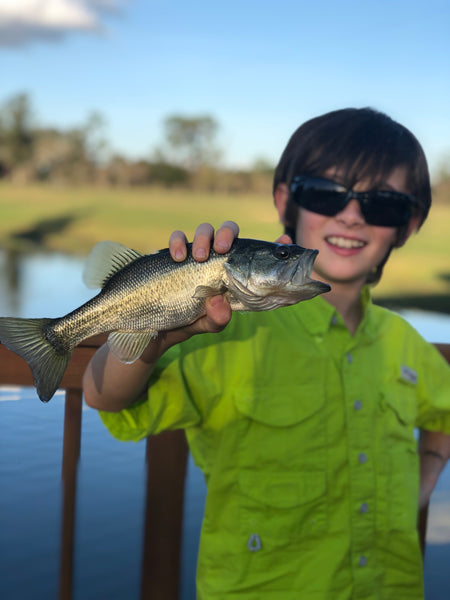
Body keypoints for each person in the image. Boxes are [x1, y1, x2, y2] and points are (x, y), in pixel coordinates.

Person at [83, 107, 450, 599]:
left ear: (408, 224)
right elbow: (104, 396)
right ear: (285, 200)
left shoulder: (406, 342)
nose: (351, 215)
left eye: (381, 204)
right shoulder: (226, 331)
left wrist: (420, 488)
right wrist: (160, 328)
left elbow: (444, 415)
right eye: (326, 193)